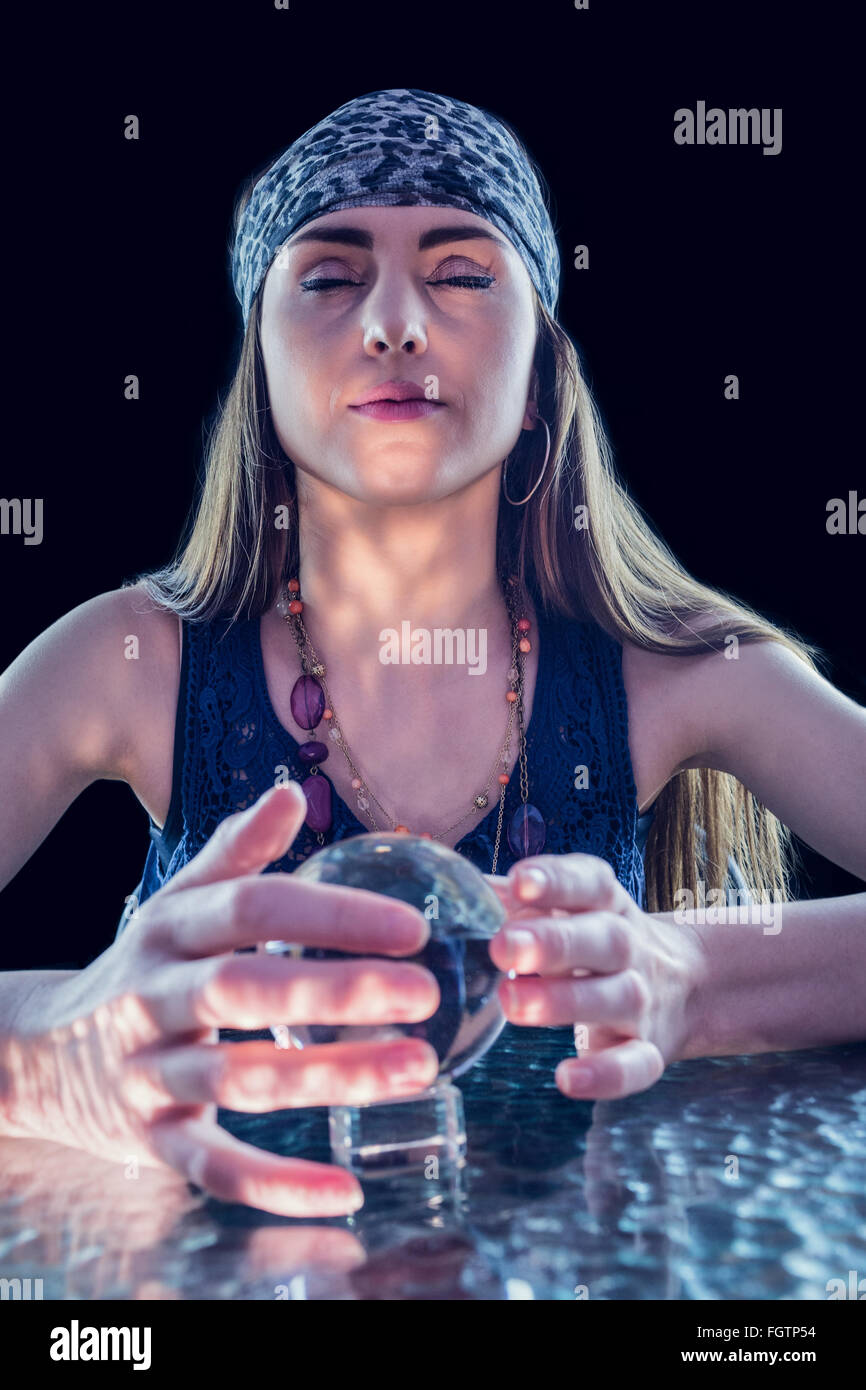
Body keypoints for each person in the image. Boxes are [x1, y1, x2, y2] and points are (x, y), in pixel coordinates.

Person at [1, 89, 863, 1220]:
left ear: (543, 365)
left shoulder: (683, 672)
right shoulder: (122, 661)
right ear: (255, 359)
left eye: (461, 272)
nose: (393, 323)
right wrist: (52, 1050)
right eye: (327, 275)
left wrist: (694, 979)